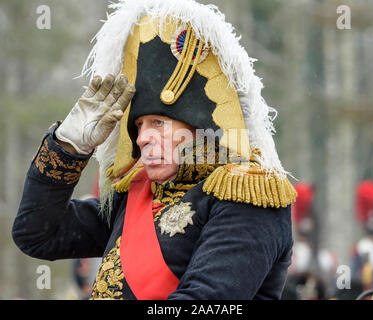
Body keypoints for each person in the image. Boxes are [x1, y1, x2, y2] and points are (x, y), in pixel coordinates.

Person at [12, 0, 297, 300]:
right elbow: (37, 233)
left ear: (199, 126)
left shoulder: (247, 193)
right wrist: (69, 146)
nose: (142, 138)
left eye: (158, 123)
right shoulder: (135, 197)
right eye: (139, 126)